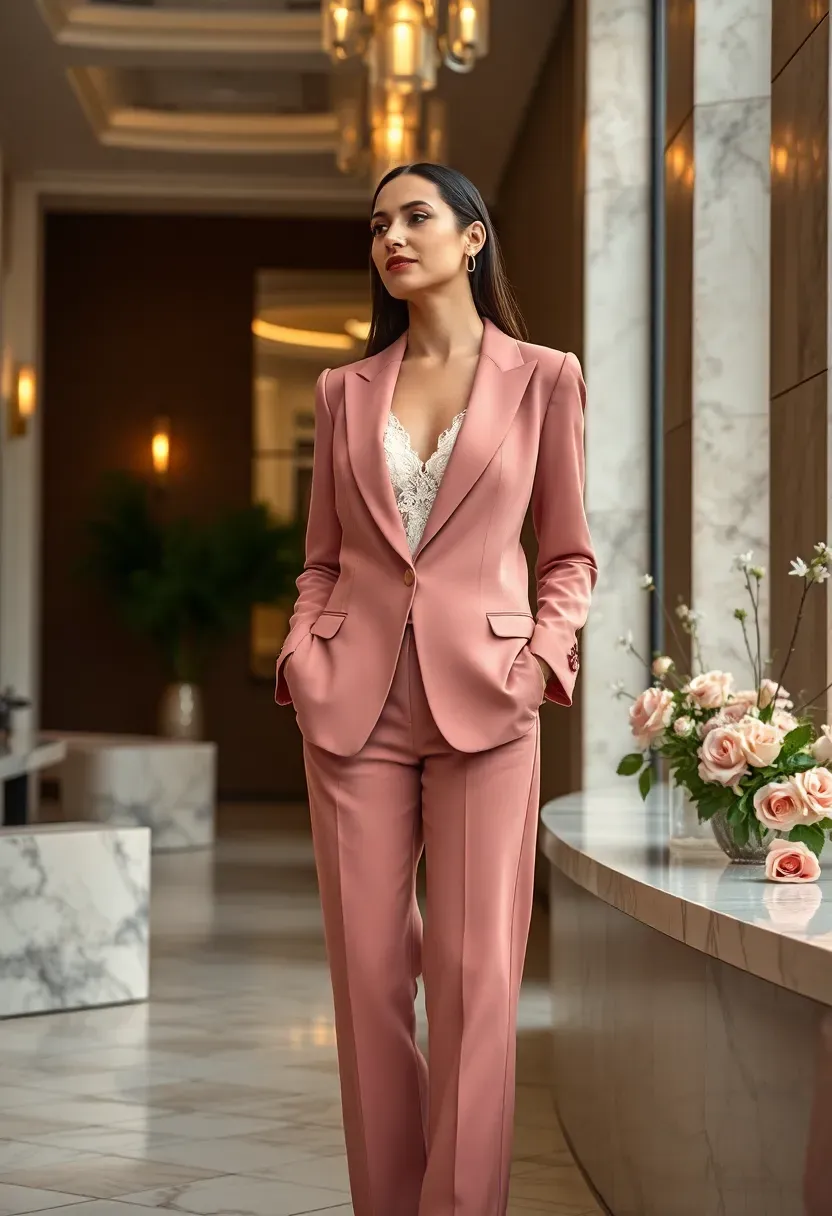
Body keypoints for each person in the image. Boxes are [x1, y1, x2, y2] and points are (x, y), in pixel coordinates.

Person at [274, 161, 597, 1216]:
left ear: (471, 238)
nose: (391, 237)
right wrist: (300, 647)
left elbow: (568, 556)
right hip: (351, 704)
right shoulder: (340, 390)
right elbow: (322, 557)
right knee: (369, 987)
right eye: (377, 225)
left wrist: (541, 657)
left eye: (415, 216)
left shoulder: (544, 377)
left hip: (489, 702)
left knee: (474, 984)